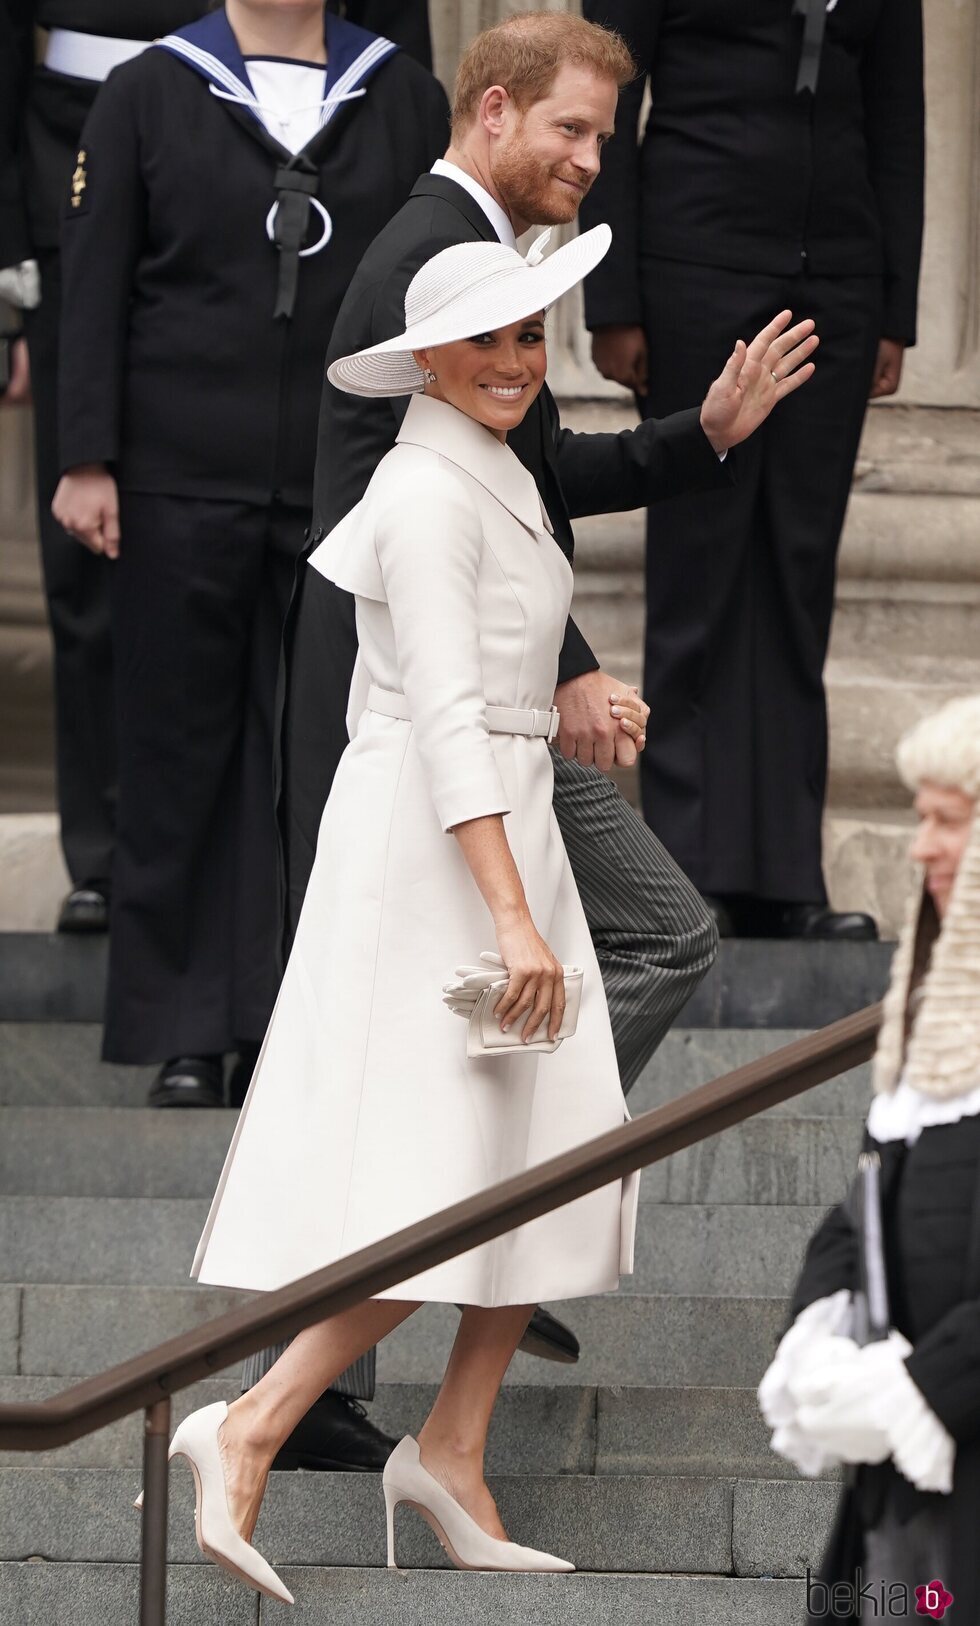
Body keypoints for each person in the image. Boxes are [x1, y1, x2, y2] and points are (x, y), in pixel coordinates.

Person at [249, 6, 818, 1443]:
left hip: (488, 705)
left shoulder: (489, 263)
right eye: (568, 131)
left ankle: (514, 1210)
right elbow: (416, 513)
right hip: (410, 710)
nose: (588, 160)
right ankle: (320, 1383)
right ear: (491, 112)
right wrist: (562, 655)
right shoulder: (419, 261)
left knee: (638, 944)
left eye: (601, 139)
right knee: (381, 1038)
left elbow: (537, 474)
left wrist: (709, 433)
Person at [156, 226, 640, 1604]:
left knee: (555, 1155)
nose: (511, 362)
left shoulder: (493, 472)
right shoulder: (422, 492)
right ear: (426, 357)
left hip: (510, 824)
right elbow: (434, 713)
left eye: (524, 336)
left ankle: (453, 1451)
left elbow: (494, 671)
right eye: (483, 340)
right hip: (446, 851)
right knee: (454, 1183)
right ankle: (249, 1423)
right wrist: (511, 915)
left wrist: (560, 707)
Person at [51, 1, 449, 1116]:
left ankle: (299, 1024)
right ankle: (185, 1031)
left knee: (323, 764)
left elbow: (432, 290)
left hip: (340, 478)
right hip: (179, 472)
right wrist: (87, 456)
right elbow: (97, 282)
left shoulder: (401, 95)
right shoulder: (148, 90)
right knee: (179, 760)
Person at [580, 0, 925, 941]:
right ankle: (690, 874)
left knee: (796, 573)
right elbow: (606, 88)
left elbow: (898, 112)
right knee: (699, 568)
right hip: (694, 261)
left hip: (839, 279)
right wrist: (611, 298)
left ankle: (785, 879)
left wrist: (896, 306)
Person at [758, 693, 980, 1622]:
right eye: (917, 819)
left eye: (947, 823)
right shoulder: (931, 1028)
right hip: (911, 1507)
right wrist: (819, 1327)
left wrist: (924, 1393)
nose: (921, 847)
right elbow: (867, 1208)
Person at [0, 0, 211, 934]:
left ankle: (212, 845)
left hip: (231, 187)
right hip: (62, 174)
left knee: (218, 550)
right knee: (83, 554)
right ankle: (103, 852)